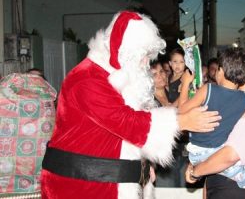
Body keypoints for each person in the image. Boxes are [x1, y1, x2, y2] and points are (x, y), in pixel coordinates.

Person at [40, 11, 221, 199]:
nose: (145, 63)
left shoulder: (119, 78)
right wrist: (181, 121)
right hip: (81, 187)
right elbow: (126, 122)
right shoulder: (88, 78)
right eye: (141, 55)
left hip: (110, 181)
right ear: (123, 51)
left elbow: (121, 136)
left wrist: (142, 164)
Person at [185, 58, 245, 199]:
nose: (236, 83)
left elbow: (229, 156)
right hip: (235, 187)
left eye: (242, 79)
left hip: (236, 189)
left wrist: (196, 171)